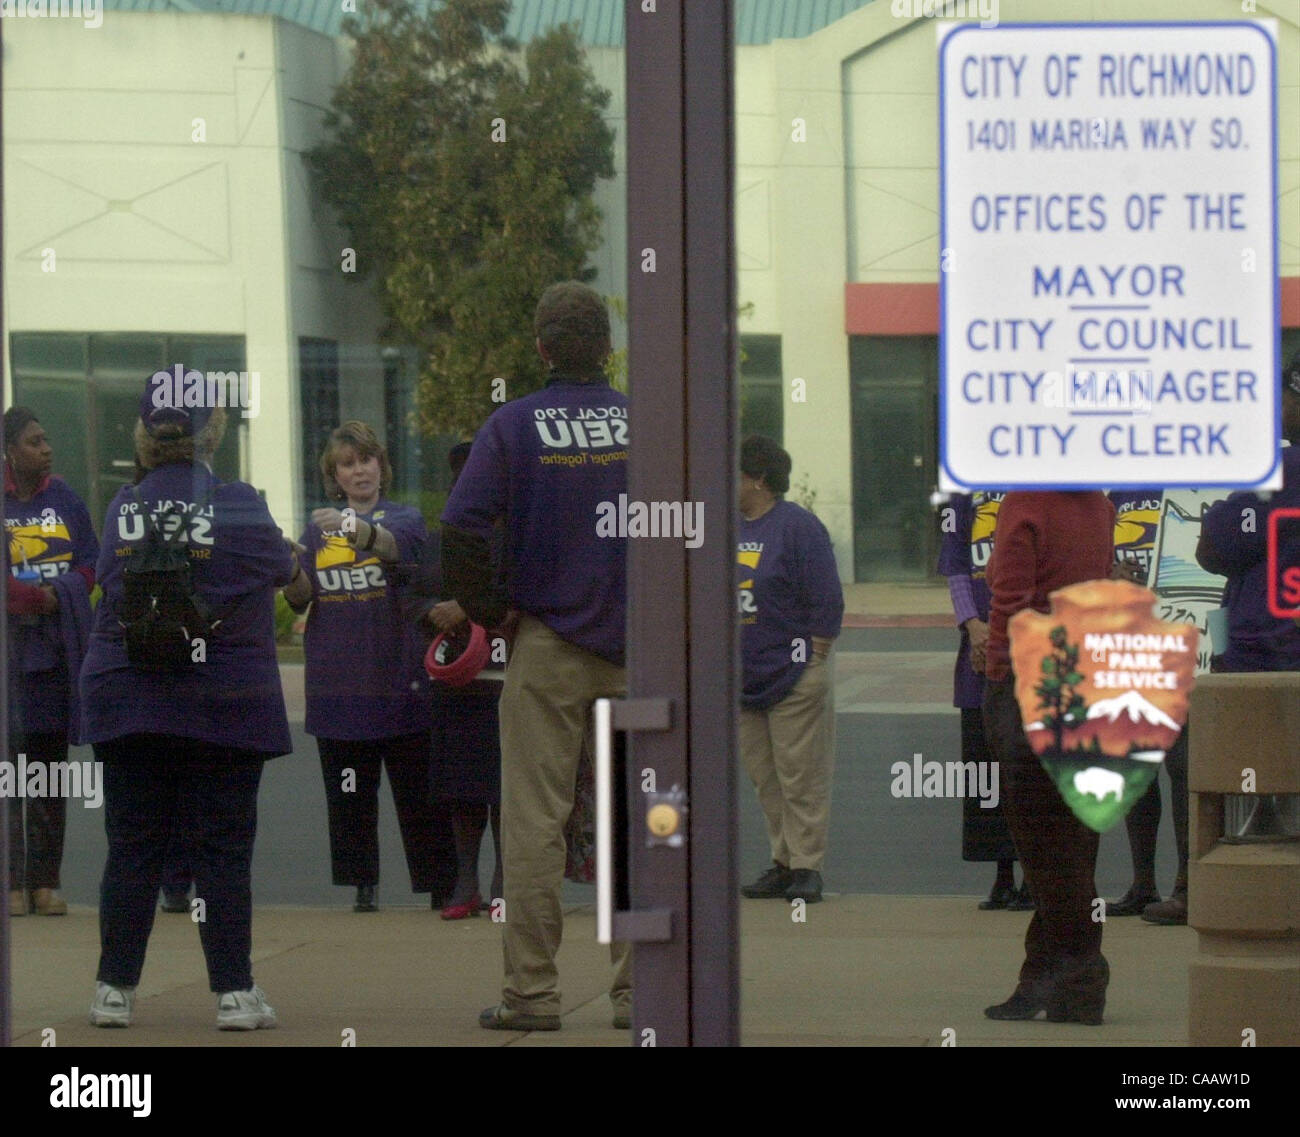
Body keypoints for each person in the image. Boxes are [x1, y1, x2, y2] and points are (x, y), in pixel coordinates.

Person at [441, 281, 631, 1032]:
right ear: (608, 347)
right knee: (642, 818)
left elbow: (460, 526)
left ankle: (532, 993)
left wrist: (492, 608)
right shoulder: (649, 419)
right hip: (640, 644)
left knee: (534, 824)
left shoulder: (514, 425)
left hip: (547, 641)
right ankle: (640, 990)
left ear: (543, 347)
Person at [81, 371, 292, 1030]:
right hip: (222, 703)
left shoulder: (124, 505)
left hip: (130, 696)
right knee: (223, 850)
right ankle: (234, 993)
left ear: (145, 434)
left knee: (134, 845)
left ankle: (113, 990)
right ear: (212, 429)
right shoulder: (239, 504)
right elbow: (285, 571)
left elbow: (111, 585)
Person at [282, 421, 455, 913]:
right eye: (348, 463)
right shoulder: (316, 530)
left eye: (366, 460)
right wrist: (291, 565)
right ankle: (363, 886)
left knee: (418, 794)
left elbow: (400, 551)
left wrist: (355, 529)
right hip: (338, 683)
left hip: (400, 679)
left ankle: (439, 887)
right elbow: (299, 600)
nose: (359, 470)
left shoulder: (404, 518)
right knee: (350, 794)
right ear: (334, 475)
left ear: (381, 465)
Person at [981, 489, 1115, 1024]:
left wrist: (996, 673)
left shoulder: (1026, 502)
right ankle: (1047, 973)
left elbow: (1011, 601)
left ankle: (1080, 969)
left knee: (1041, 840)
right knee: (1074, 839)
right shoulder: (1099, 505)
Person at [737, 435, 844, 905]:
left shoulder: (798, 528)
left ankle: (807, 867)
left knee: (801, 777)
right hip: (743, 677)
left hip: (793, 673)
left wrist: (814, 656)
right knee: (767, 778)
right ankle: (782, 861)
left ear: (758, 479)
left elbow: (826, 599)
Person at [404, 442, 504, 920]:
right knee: (462, 787)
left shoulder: (518, 531)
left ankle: (506, 881)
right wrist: (433, 613)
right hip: (456, 680)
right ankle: (467, 880)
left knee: (507, 786)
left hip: (509, 678)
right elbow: (416, 597)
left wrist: (468, 606)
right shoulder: (441, 538)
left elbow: (521, 590)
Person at [4, 407, 98, 917]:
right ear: (10, 451)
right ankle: (12, 884)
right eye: (35, 441)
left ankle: (44, 881)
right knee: (10, 775)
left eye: (46, 439)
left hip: (54, 658)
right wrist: (29, 598)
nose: (47, 448)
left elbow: (89, 564)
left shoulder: (65, 499)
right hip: (10, 661)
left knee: (48, 773)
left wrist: (56, 593)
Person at [936, 490, 1030, 911]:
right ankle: (1002, 874)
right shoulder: (960, 499)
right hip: (976, 652)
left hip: (1031, 644)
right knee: (985, 764)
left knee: (1029, 767)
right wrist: (972, 626)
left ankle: (1036, 875)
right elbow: (955, 566)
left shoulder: (1034, 488)